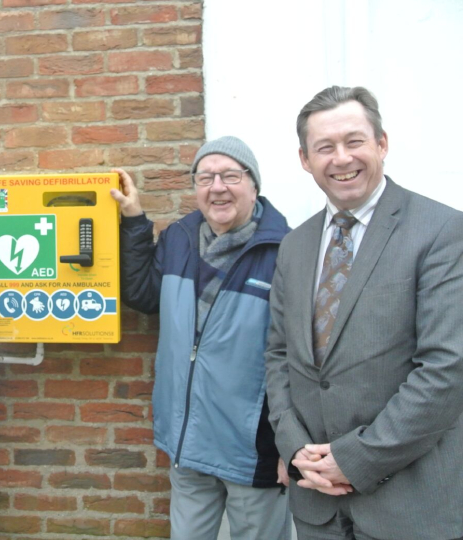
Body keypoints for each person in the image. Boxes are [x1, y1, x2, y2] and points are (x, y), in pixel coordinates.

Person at [265, 86, 463, 540]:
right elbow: (278, 357)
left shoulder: (443, 232)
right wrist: (295, 449)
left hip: (409, 508)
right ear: (304, 159)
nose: (341, 158)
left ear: (382, 144)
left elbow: (446, 369)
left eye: (354, 141)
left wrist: (356, 459)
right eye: (324, 147)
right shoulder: (295, 246)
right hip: (317, 506)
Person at [112, 136, 292, 540]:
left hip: (252, 448)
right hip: (187, 440)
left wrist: (291, 443)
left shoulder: (285, 251)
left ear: (253, 184)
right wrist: (135, 221)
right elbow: (143, 294)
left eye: (230, 175)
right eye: (205, 177)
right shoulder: (180, 238)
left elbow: (300, 356)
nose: (217, 187)